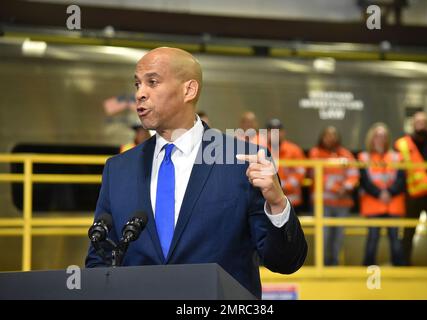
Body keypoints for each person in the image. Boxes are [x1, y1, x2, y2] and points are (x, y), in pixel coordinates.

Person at [85, 47, 307, 298]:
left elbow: (285, 262)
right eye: (137, 84)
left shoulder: (243, 160)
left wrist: (277, 204)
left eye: (152, 82)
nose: (140, 94)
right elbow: (99, 261)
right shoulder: (118, 169)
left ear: (188, 90)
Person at [395, 111, 427, 266]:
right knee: (408, 232)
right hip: (413, 195)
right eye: (418, 121)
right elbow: (398, 171)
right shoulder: (402, 144)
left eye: (424, 121)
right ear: (412, 124)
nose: (421, 124)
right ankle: (404, 266)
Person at [309, 126, 359, 266]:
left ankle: (334, 265)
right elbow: (317, 175)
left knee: (339, 237)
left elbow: (354, 174)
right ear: (322, 137)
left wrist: (346, 187)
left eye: (333, 135)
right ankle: (322, 266)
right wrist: (337, 188)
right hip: (323, 203)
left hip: (342, 203)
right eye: (327, 135)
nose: (331, 138)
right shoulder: (315, 153)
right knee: (323, 236)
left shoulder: (346, 154)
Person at [358, 123, 406, 266]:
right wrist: (380, 194)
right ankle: (367, 272)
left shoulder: (397, 157)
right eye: (378, 136)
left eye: (384, 136)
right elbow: (364, 181)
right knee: (372, 240)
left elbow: (401, 179)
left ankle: (399, 272)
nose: (381, 139)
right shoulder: (364, 157)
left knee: (396, 240)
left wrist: (389, 192)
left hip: (393, 205)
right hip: (373, 205)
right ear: (371, 138)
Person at [266, 118, 306, 214]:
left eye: (278, 130)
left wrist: (282, 186)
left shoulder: (294, 150)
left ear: (283, 132)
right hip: (268, 201)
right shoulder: (260, 149)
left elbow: (300, 171)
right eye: (271, 130)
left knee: (292, 228)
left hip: (292, 201)